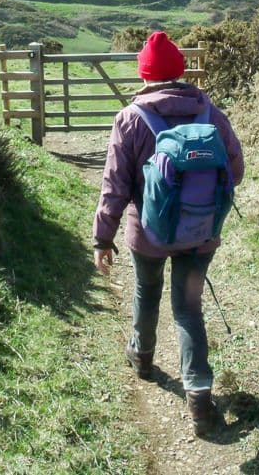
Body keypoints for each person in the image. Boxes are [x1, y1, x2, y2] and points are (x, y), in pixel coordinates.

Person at [92, 31, 245, 436]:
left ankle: (142, 357)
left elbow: (115, 186)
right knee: (188, 309)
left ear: (144, 76)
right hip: (200, 233)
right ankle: (199, 399)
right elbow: (236, 171)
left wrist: (102, 239)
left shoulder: (130, 120)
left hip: (150, 234)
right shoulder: (211, 114)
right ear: (179, 71)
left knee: (147, 291)